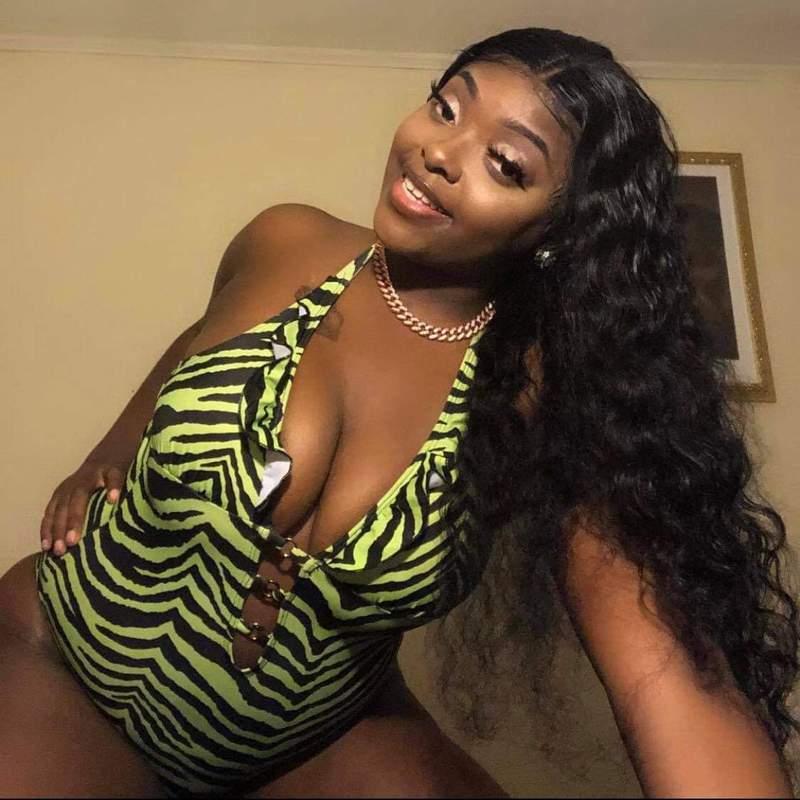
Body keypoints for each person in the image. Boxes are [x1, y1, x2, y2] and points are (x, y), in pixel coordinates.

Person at [0, 26, 796, 798]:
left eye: (505, 163)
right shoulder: (287, 241)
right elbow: (200, 341)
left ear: (557, 230)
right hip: (68, 662)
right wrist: (107, 452)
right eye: (446, 107)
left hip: (305, 744)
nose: (439, 151)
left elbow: (669, 672)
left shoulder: (544, 398)